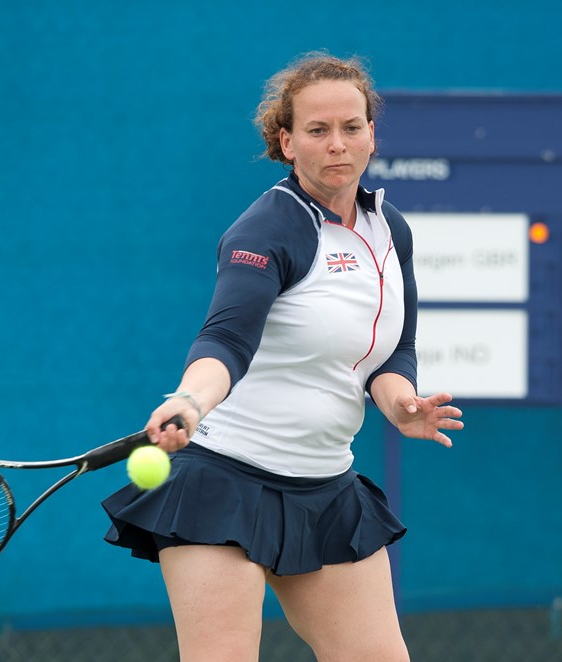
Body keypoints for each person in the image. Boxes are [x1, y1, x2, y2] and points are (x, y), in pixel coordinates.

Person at [101, 51, 465, 662]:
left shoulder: (389, 230)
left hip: (326, 489)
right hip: (223, 481)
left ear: (372, 132)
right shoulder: (267, 229)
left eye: (352, 127)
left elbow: (391, 349)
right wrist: (190, 400)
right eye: (317, 131)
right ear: (287, 141)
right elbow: (226, 338)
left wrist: (400, 404)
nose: (338, 145)